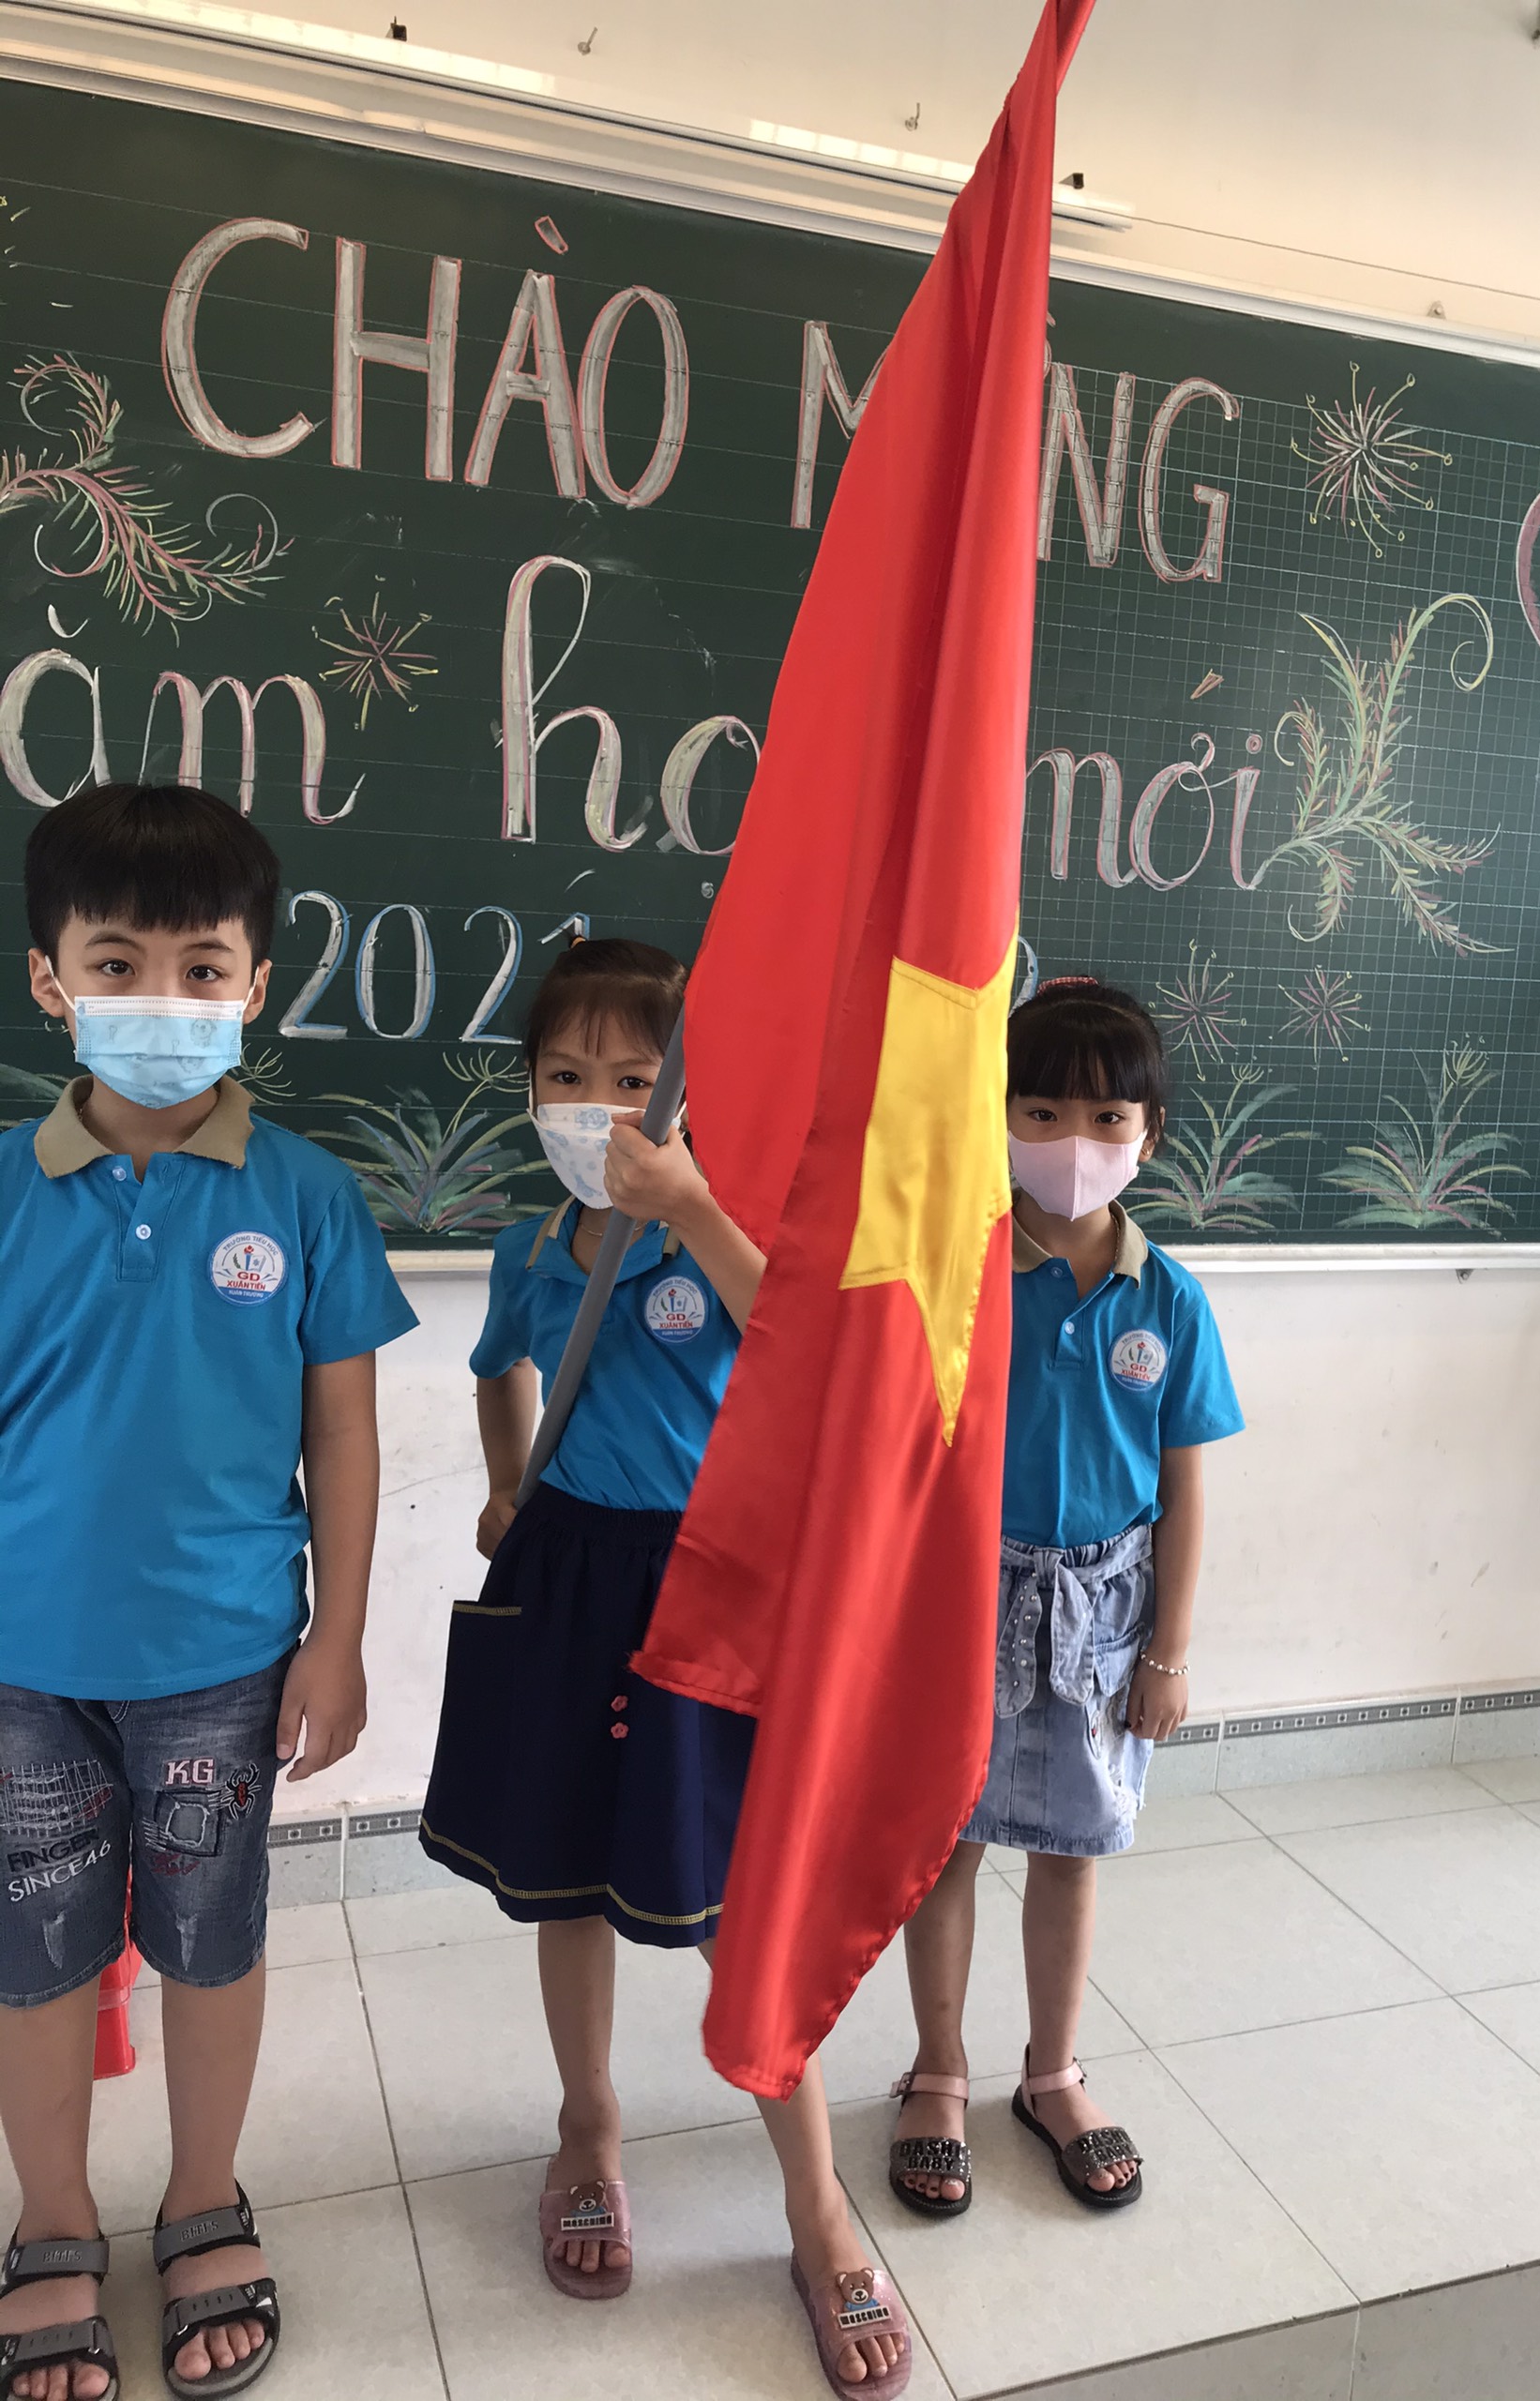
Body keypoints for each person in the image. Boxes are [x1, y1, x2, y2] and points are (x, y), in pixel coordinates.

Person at [419, 937, 910, 2395]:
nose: (600, 1107)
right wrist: (506, 1484)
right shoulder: (526, 1250)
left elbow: (803, 1354)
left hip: (711, 1591)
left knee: (736, 1901)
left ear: (689, 1099)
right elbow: (497, 1369)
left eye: (636, 1080)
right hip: (568, 1575)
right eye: (567, 1077)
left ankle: (815, 2204)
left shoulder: (719, 1229)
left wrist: (691, 1202)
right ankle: (588, 2126)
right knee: (567, 1872)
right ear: (529, 1092)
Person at [0, 784, 417, 2401]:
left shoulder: (305, 1194)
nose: (161, 1001)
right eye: (119, 964)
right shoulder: (6, 1187)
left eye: (201, 969)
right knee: (36, 1958)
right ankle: (50, 2219)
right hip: (24, 1664)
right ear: (51, 980)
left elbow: (343, 1433)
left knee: (211, 1945)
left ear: (255, 985)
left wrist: (339, 1639)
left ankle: (201, 2200)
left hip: (224, 1661)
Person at [889, 977, 1242, 2218]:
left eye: (1105, 1119)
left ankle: (1052, 2074)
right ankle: (938, 2071)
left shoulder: (1169, 1299)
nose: (1072, 1144)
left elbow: (1184, 1489)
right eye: (1039, 1112)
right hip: (961, 1599)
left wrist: (1169, 1653)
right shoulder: (955, 1269)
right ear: (997, 1114)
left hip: (1107, 1615)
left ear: (1150, 1132)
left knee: (1073, 1849)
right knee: (948, 1841)